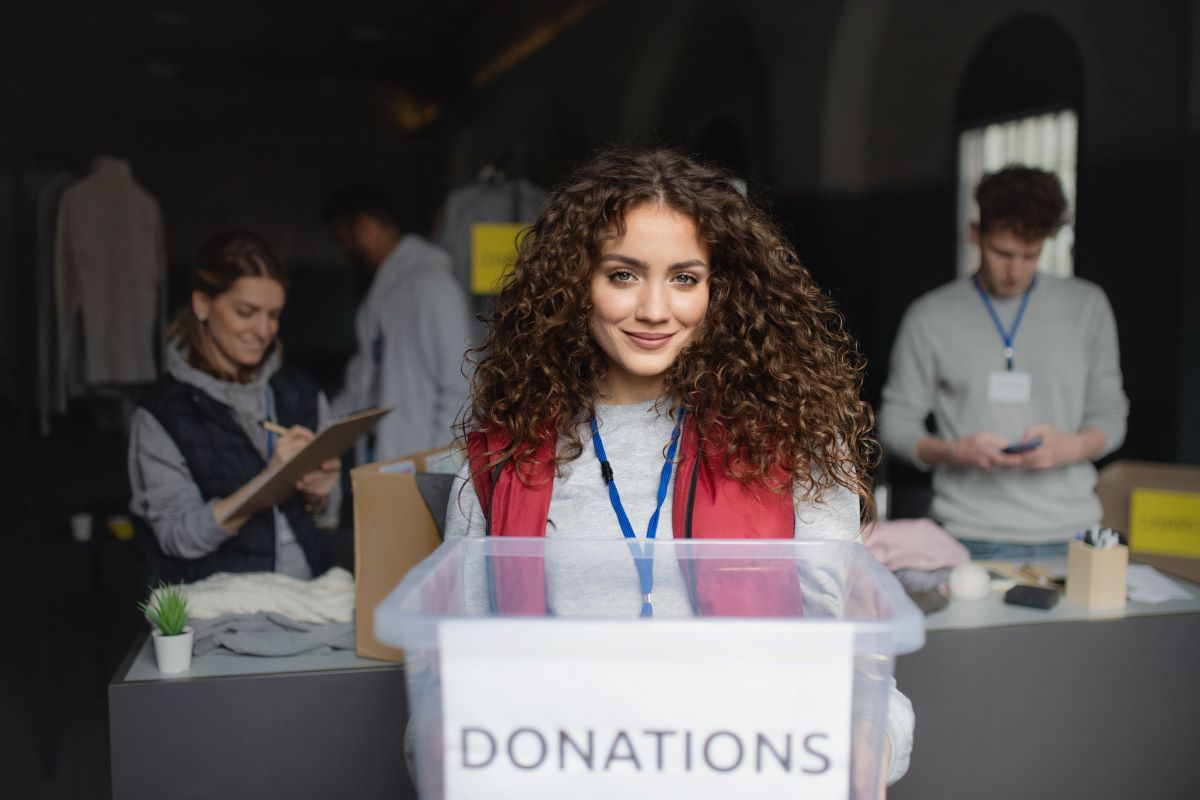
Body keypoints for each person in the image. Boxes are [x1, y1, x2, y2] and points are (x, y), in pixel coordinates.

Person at [443, 148, 913, 786]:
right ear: (574, 280)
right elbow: (456, 683)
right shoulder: (504, 457)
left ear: (723, 289)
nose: (656, 310)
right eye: (624, 275)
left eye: (685, 278)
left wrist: (871, 742)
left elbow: (851, 659)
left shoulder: (793, 443)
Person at [878, 165, 1129, 560]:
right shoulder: (929, 316)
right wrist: (952, 452)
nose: (1016, 270)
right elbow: (895, 422)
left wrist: (1071, 446)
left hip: (1072, 533)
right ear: (976, 234)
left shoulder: (1088, 306)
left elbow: (1111, 416)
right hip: (966, 532)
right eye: (1003, 253)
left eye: (1030, 255)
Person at [128, 231, 342, 586]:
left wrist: (321, 494)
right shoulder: (161, 412)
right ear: (202, 303)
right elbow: (177, 538)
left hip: (307, 597)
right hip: (216, 605)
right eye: (246, 312)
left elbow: (326, 520)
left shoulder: (300, 394)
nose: (263, 330)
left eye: (273, 315)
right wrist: (269, 483)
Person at [323, 184, 471, 462]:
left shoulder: (431, 284)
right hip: (384, 459)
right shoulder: (383, 292)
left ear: (365, 227)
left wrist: (437, 466)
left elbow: (461, 383)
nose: (343, 252)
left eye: (343, 239)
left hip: (422, 466)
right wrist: (318, 432)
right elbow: (362, 383)